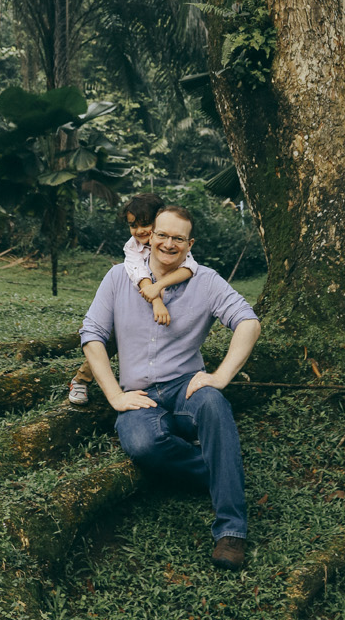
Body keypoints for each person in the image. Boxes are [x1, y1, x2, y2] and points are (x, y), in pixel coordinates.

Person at [79, 205, 260, 570]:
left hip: (185, 387)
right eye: (162, 234)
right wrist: (114, 394)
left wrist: (221, 376)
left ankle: (232, 531)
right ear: (149, 237)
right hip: (138, 394)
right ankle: (221, 474)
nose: (168, 243)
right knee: (143, 444)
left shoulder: (206, 280)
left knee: (213, 403)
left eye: (178, 238)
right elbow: (92, 336)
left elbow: (248, 323)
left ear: (189, 243)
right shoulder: (117, 278)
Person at [68, 193, 198, 405]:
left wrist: (160, 287)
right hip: (134, 302)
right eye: (133, 225)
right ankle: (81, 379)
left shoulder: (172, 241)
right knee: (111, 343)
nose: (139, 231)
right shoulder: (132, 247)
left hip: (165, 303)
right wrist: (156, 299)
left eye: (145, 224)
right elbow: (139, 275)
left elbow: (189, 268)